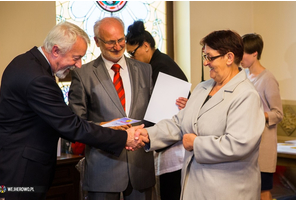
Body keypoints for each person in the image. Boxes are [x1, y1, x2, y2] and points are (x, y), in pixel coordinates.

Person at [0, 21, 146, 200]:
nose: (79, 65)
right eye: (76, 57)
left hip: (16, 164)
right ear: (56, 50)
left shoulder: (26, 62)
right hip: (20, 171)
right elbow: (70, 125)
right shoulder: (37, 78)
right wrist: (123, 138)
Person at [136, 30, 266, 200]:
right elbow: (179, 122)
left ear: (229, 57)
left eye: (210, 57)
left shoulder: (246, 95)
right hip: (196, 185)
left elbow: (238, 144)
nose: (206, 63)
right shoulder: (203, 87)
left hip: (227, 190)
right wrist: (147, 134)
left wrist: (196, 143)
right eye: (205, 56)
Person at [68, 17, 155, 200]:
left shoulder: (145, 70)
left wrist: (176, 106)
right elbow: (75, 124)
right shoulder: (83, 74)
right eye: (110, 42)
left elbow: (152, 114)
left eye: (121, 40)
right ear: (98, 42)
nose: (117, 46)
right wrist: (106, 126)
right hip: (103, 169)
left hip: (140, 167)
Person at [126, 20, 189, 200]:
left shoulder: (161, 66)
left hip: (173, 141)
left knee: (172, 192)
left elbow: (162, 110)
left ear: (146, 46)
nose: (131, 57)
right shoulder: (157, 62)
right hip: (167, 135)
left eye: (132, 52)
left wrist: (140, 131)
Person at [241, 33, 283, 200]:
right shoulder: (244, 76)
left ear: (255, 53)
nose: (240, 57)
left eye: (243, 53)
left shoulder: (268, 78)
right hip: (247, 143)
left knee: (263, 191)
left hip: (264, 145)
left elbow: (278, 113)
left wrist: (258, 114)